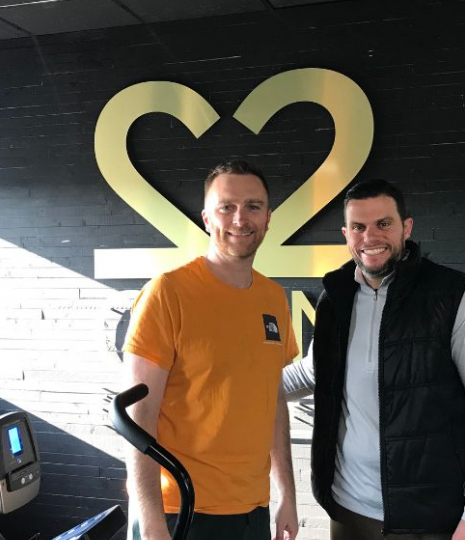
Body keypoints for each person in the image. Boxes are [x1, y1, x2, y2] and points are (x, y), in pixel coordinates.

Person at [283, 179, 465, 540]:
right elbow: (314, 371)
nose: (370, 236)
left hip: (430, 515)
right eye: (358, 227)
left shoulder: (454, 297)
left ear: (406, 227)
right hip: (347, 509)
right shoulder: (336, 298)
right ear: (346, 234)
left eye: (383, 224)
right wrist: (230, 389)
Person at [123, 160, 299, 540]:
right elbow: (139, 417)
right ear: (206, 218)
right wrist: (150, 521)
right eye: (227, 207)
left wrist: (286, 492)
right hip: (181, 512)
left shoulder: (274, 298)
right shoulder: (167, 294)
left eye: (253, 206)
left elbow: (273, 400)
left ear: (268, 218)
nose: (241, 218)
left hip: (253, 510)